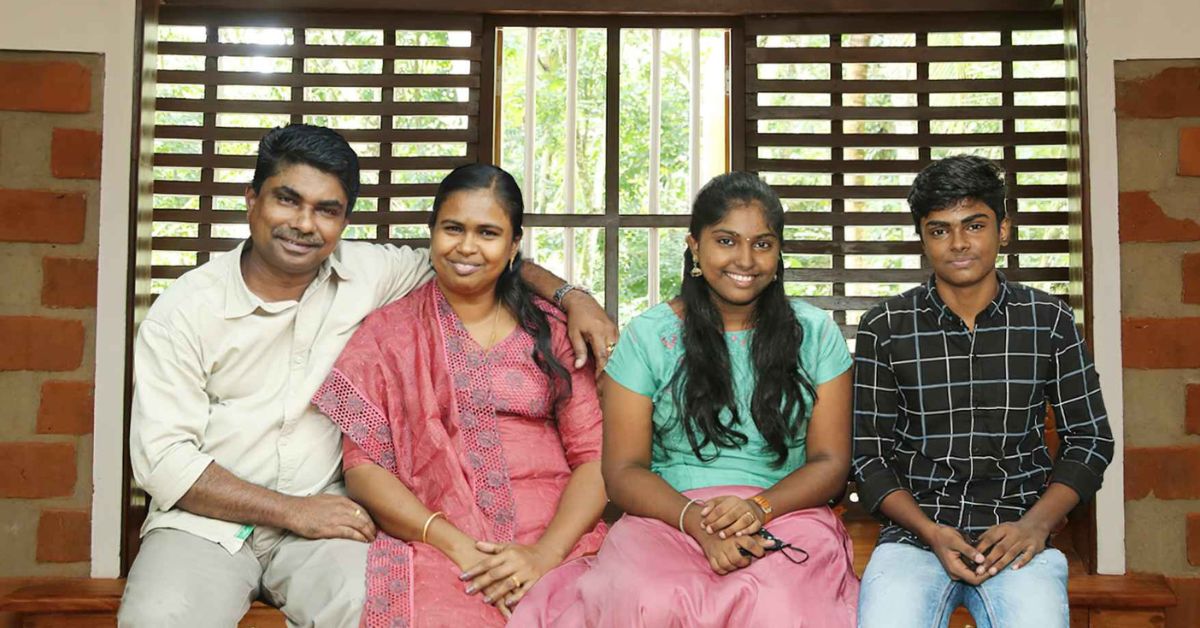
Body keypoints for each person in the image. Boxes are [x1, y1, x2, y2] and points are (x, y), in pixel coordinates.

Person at [119, 124, 617, 627]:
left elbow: (480, 260)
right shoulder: (186, 309)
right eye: (287, 201)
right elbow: (163, 463)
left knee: (386, 608)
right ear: (252, 200)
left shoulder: (371, 272)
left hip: (327, 530)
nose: (303, 224)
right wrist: (293, 510)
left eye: (326, 210)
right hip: (207, 527)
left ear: (344, 221)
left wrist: (573, 298)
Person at [512, 171, 860, 627]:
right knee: (653, 599)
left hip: (785, 513)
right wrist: (695, 520)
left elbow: (831, 463)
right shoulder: (650, 337)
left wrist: (758, 508)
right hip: (667, 516)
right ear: (695, 246)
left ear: (778, 252)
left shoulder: (814, 334)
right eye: (726, 241)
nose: (746, 259)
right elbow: (622, 472)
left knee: (776, 601)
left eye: (763, 243)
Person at [312, 163, 609, 627]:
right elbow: (365, 471)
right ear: (431, 233)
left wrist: (542, 556)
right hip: (437, 542)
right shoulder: (388, 334)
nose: (467, 246)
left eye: (488, 233)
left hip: (560, 538)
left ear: (513, 247)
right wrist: (458, 547)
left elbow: (594, 458)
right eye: (453, 228)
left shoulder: (550, 330)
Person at [852, 155, 1114, 628]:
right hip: (916, 538)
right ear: (922, 238)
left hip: (1018, 535)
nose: (958, 243)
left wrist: (1035, 525)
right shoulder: (885, 326)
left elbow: (1091, 440)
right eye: (939, 229)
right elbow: (868, 457)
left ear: (1004, 229)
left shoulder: (1048, 320)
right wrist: (930, 532)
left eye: (974, 225)